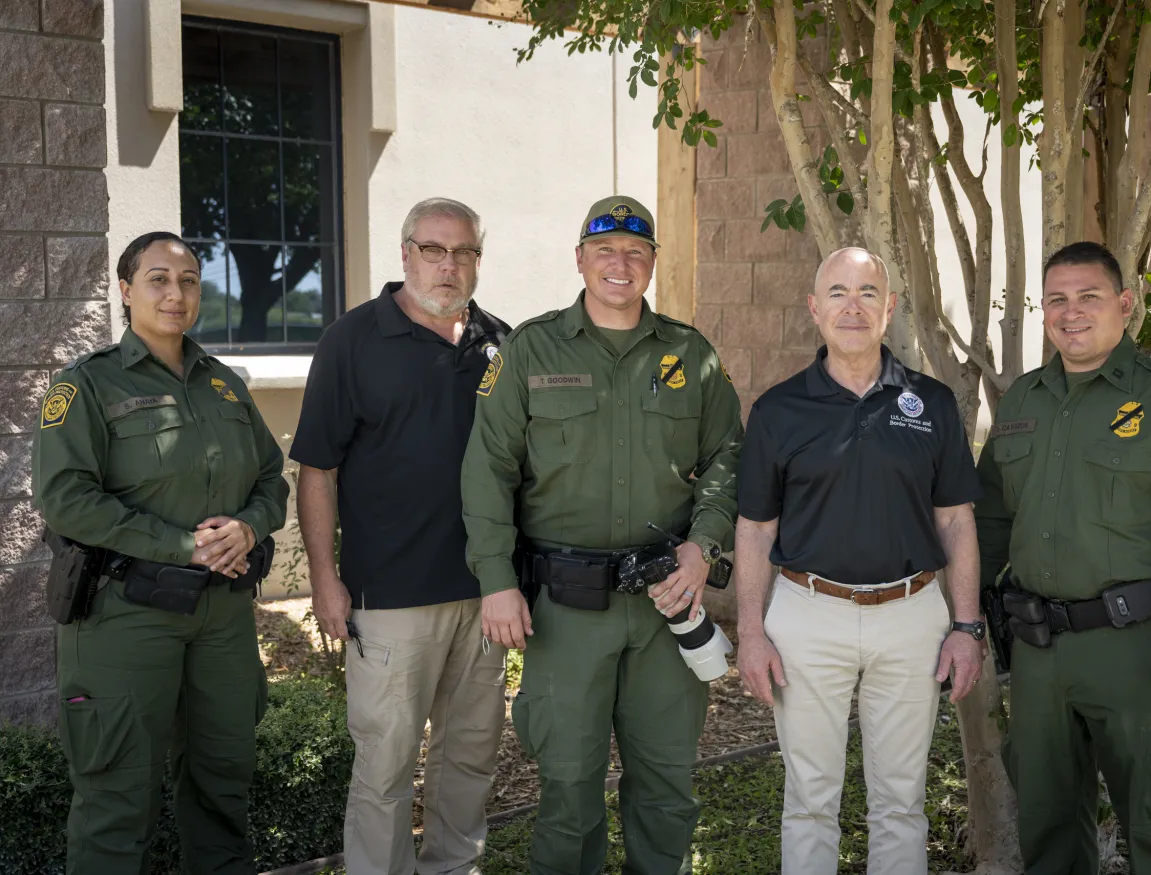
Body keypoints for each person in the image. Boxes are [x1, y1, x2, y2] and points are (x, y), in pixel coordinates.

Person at [460, 195, 742, 875]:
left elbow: (729, 456)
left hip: (665, 608)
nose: (621, 264)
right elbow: (487, 470)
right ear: (580, 258)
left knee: (667, 787)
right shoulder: (530, 349)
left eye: (636, 252)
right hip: (567, 610)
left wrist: (703, 546)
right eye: (606, 250)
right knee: (567, 790)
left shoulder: (688, 353)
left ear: (651, 265)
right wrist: (496, 581)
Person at [974, 241, 1151, 874]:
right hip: (1038, 651)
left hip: (1137, 651)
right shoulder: (1021, 403)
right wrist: (977, 621)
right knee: (1046, 829)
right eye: (1057, 300)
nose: (1071, 312)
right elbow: (991, 523)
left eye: (1089, 297)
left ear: (1125, 305)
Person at [32, 231, 288, 875]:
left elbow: (269, 477)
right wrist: (184, 548)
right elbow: (66, 500)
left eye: (190, 280)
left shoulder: (223, 384)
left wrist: (249, 529)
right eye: (158, 279)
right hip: (126, 616)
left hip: (222, 619)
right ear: (125, 290)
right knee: (118, 796)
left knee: (223, 783)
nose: (177, 294)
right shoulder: (86, 387)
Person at [733, 247, 986, 874]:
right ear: (815, 310)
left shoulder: (929, 403)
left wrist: (966, 626)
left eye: (868, 293)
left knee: (902, 803)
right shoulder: (778, 410)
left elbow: (956, 520)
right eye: (838, 293)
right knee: (810, 801)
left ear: (889, 308)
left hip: (912, 616)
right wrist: (749, 630)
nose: (853, 306)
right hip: (807, 615)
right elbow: (756, 527)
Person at [290, 198, 510, 875]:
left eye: (463, 252)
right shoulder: (352, 340)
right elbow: (317, 468)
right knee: (385, 763)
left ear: (477, 259)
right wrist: (326, 578)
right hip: (388, 594)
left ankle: (453, 866)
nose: (448, 265)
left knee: (468, 755)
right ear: (405, 253)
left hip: (484, 594)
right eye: (433, 250)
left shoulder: (502, 342)